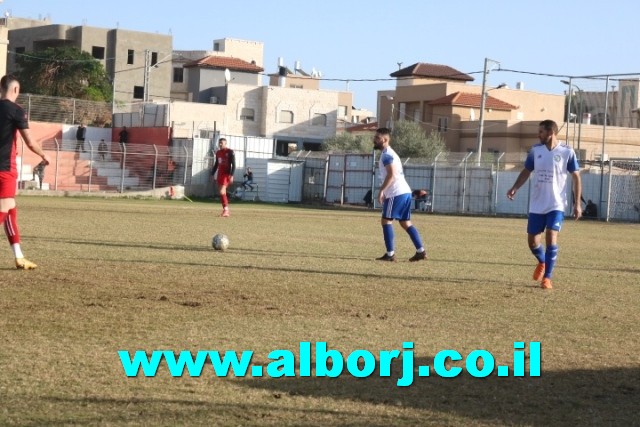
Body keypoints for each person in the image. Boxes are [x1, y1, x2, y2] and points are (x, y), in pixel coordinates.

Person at [507, 119, 582, 290]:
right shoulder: (535, 150)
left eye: (540, 132)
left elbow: (576, 177)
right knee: (532, 242)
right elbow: (527, 170)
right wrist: (515, 187)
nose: (537, 134)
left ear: (551, 133)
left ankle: (547, 278)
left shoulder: (567, 152)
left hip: (556, 204)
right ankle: (542, 262)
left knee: (551, 236)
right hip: (537, 204)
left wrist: (577, 203)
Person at [0, 74, 50, 269]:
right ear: (15, 90)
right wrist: (44, 155)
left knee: (11, 211)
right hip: (5, 169)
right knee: (4, 208)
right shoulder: (16, 110)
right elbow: (30, 141)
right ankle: (19, 256)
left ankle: (19, 256)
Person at [373, 127, 427, 262]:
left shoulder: (387, 155)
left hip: (396, 193)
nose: (374, 140)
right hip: (404, 192)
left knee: (386, 220)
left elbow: (391, 175)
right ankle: (421, 251)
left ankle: (390, 254)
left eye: (377, 138)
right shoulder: (390, 153)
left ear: (384, 140)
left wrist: (381, 191)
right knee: (405, 223)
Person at [211, 138, 235, 217]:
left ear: (225, 143)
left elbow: (234, 165)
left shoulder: (230, 152)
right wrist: (212, 174)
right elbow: (216, 164)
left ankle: (226, 210)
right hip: (220, 174)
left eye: (222, 143)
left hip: (226, 174)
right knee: (222, 193)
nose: (220, 144)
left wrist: (231, 175)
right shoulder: (218, 153)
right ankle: (225, 210)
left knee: (222, 192)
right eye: (219, 143)